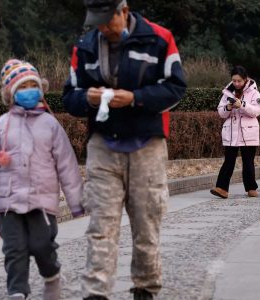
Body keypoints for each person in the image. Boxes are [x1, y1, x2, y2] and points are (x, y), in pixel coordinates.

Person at [62, 0, 186, 299]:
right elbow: (69, 97)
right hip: (103, 145)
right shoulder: (86, 46)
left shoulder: (159, 38)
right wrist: (88, 98)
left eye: (108, 20)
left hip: (147, 145)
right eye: (97, 22)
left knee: (146, 223)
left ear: (124, 10)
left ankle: (145, 287)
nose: (103, 28)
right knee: (100, 225)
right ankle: (96, 292)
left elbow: (176, 89)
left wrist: (135, 97)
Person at [0, 59, 84, 300]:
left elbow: (66, 164)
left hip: (42, 202)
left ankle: (52, 275)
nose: (28, 91)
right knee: (14, 250)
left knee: (42, 246)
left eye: (33, 85)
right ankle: (17, 292)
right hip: (9, 202)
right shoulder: (1, 126)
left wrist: (76, 202)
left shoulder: (50, 125)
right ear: (11, 93)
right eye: (22, 87)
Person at [210, 65, 260, 199]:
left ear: (245, 79)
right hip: (231, 132)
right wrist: (228, 107)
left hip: (248, 132)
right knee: (229, 160)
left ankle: (251, 188)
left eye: (239, 81)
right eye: (234, 80)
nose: (236, 83)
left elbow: (257, 111)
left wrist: (243, 105)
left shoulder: (254, 92)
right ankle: (222, 188)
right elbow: (221, 113)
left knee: (248, 161)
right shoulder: (227, 92)